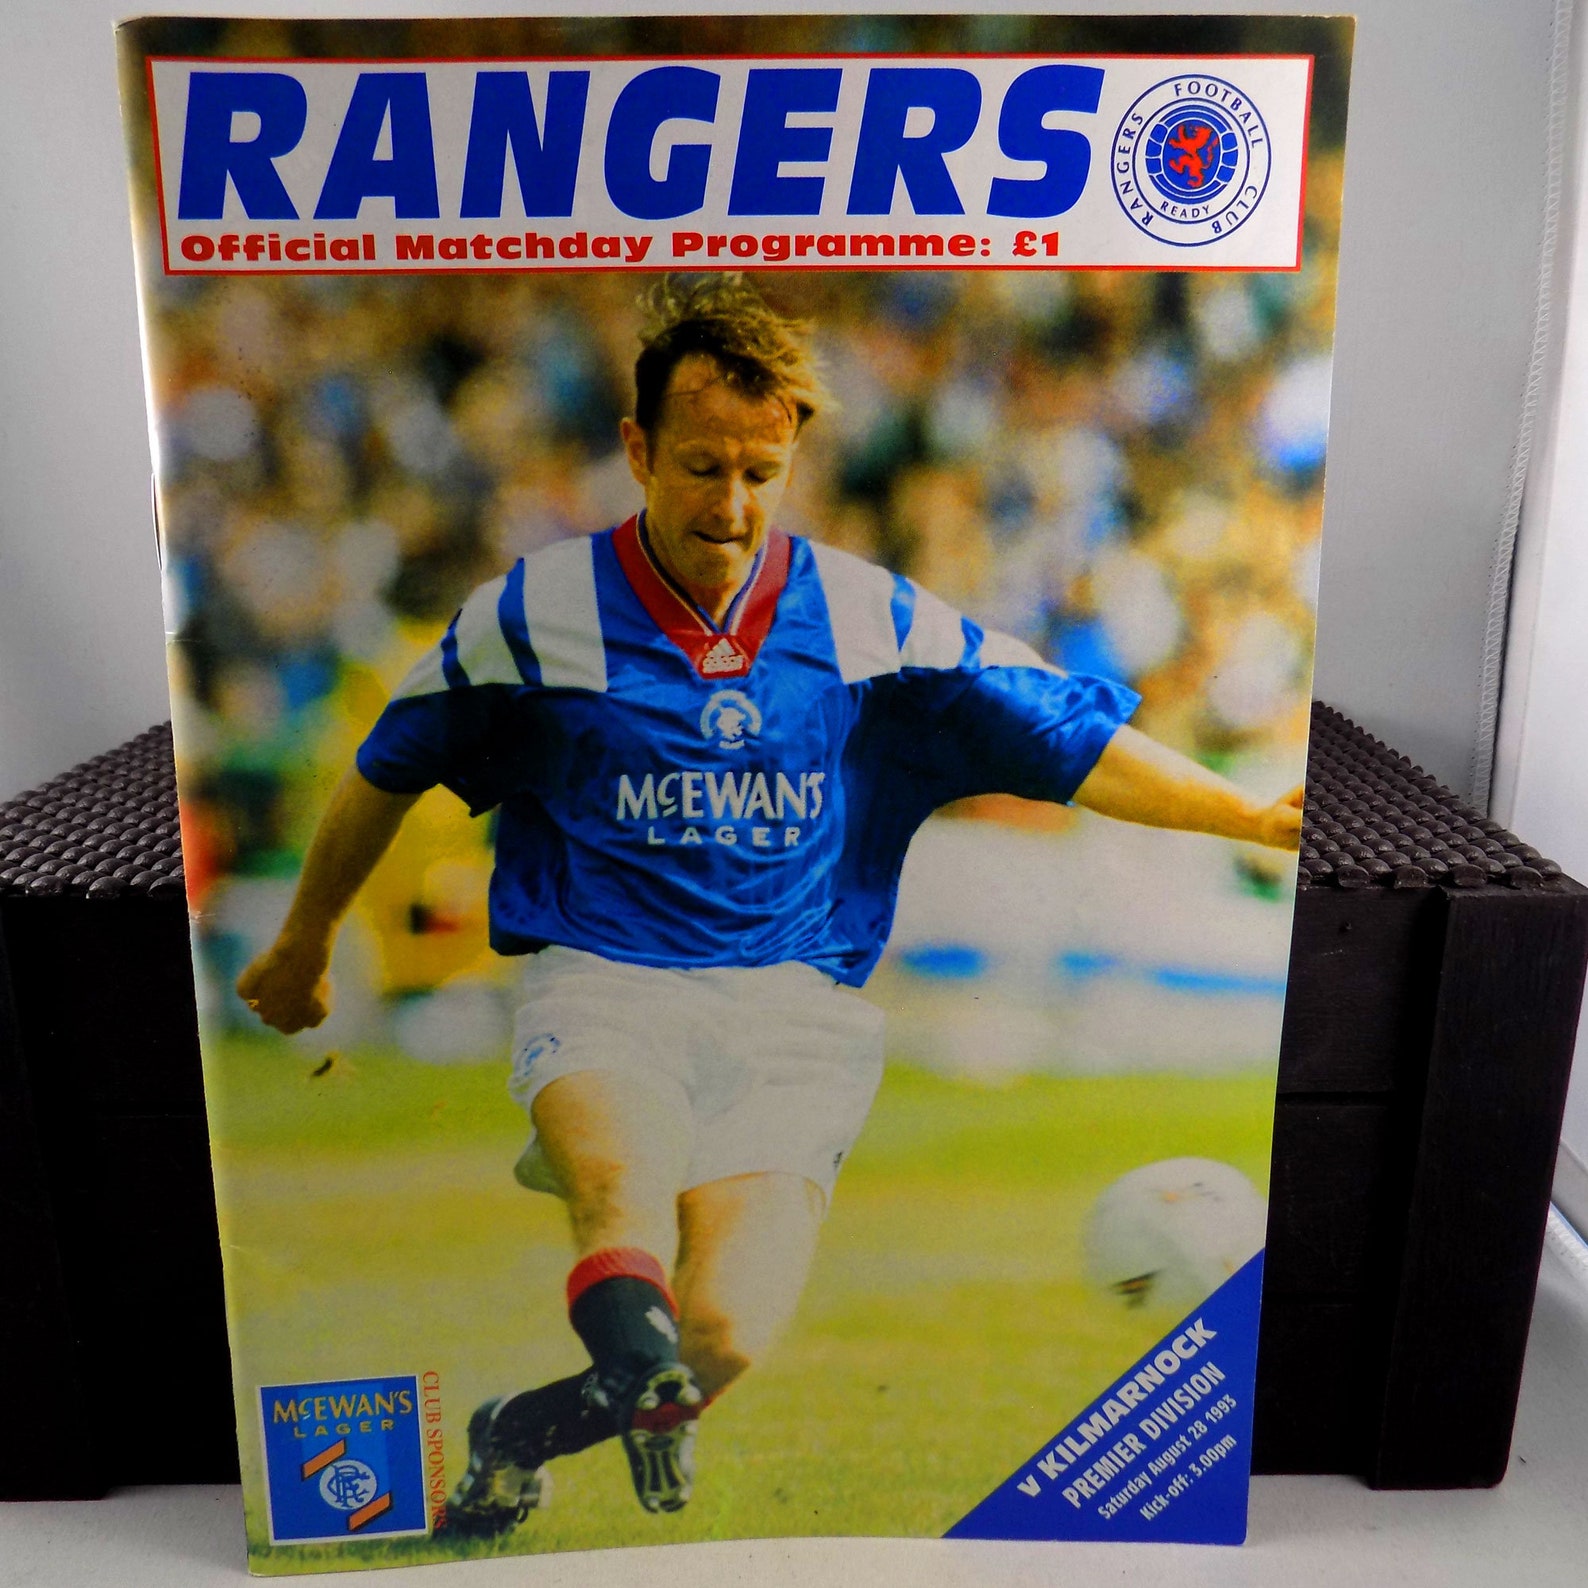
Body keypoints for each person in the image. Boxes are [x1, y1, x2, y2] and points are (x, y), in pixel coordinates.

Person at [237, 275, 1302, 1534]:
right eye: (701, 467)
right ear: (638, 449)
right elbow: (387, 766)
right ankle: (633, 1369)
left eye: (761, 471)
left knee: (722, 1337)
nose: (732, 504)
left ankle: (520, 1429)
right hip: (603, 979)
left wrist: (1246, 815)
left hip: (797, 1012)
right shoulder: (531, 612)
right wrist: (303, 941)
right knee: (619, 1191)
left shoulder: (870, 617)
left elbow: (1070, 743)